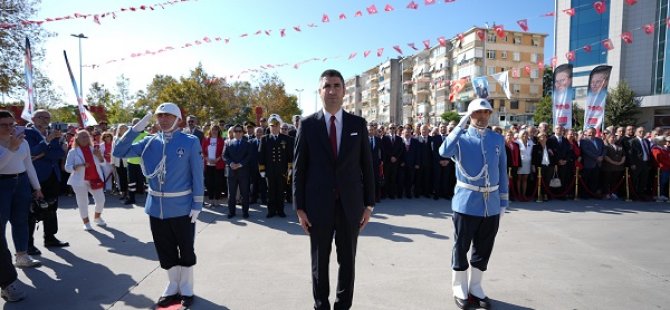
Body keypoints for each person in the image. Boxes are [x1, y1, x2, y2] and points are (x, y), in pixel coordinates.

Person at [293, 69, 375, 310]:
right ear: (319, 92)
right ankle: (321, 305)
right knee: (319, 261)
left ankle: (343, 306)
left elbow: (366, 166)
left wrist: (369, 205)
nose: (331, 90)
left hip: (350, 206)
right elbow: (299, 169)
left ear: (344, 91)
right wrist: (299, 208)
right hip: (318, 207)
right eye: (326, 86)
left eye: (336, 85)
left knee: (348, 261)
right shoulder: (307, 125)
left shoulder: (357, 124)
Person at [113, 102, 204, 308]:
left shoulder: (190, 142)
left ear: (177, 119)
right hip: (156, 207)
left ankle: (187, 286)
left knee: (186, 249)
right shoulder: (148, 142)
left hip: (182, 206)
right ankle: (172, 284)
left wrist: (197, 204)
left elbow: (197, 175)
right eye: (159, 116)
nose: (163, 120)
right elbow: (119, 151)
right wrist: (134, 129)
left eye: (167, 116)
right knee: (165, 249)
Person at [439, 98, 508, 309]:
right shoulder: (461, 138)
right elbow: (444, 151)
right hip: (466, 203)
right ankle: (459, 287)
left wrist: (503, 201)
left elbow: (502, 170)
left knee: (484, 248)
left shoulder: (497, 139)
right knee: (461, 247)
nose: (483, 116)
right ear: (470, 115)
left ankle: (476, 287)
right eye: (478, 113)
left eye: (487, 112)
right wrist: (459, 126)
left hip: (492, 203)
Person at [0, 110, 43, 271]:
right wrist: (11, 148)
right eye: (3, 125)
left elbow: (28, 165)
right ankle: (4, 264)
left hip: (21, 182)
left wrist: (37, 187)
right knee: (0, 224)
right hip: (2, 184)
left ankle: (22, 256)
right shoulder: (14, 143)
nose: (9, 128)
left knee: (21, 220)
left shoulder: (21, 141)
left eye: (11, 124)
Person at [24, 109, 69, 255]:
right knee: (31, 210)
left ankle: (50, 237)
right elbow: (31, 152)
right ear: (33, 119)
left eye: (47, 118)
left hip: (52, 175)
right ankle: (27, 244)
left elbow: (59, 153)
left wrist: (43, 152)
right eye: (41, 117)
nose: (45, 120)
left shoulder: (53, 133)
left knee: (51, 207)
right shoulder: (27, 133)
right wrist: (47, 142)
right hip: (35, 176)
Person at [64, 129, 107, 231]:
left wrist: (99, 156)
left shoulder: (94, 149)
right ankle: (86, 222)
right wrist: (77, 166)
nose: (85, 138)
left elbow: (103, 163)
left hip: (95, 179)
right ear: (77, 139)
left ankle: (97, 217)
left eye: (87, 136)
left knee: (101, 200)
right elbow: (67, 167)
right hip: (79, 181)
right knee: (83, 202)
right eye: (82, 137)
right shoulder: (73, 151)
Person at [259, 115, 293, 218]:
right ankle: (271, 211)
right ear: (269, 127)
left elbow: (290, 156)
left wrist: (290, 169)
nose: (274, 128)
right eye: (272, 126)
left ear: (279, 126)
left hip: (282, 171)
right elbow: (261, 155)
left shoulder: (286, 139)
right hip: (269, 170)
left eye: (276, 125)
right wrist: (262, 170)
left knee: (281, 191)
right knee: (271, 191)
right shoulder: (264, 139)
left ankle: (281, 210)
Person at [223, 124, 252, 219]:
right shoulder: (228, 143)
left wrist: (240, 164)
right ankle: (231, 212)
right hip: (231, 173)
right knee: (231, 194)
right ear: (233, 133)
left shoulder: (247, 144)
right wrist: (231, 163)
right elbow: (224, 156)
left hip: (243, 172)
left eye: (240, 131)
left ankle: (245, 212)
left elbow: (249, 156)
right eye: (236, 131)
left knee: (245, 194)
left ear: (243, 133)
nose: (238, 133)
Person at [124, 118, 148, 205]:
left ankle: (149, 199)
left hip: (143, 162)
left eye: (138, 123)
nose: (137, 125)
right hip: (131, 162)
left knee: (146, 182)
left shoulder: (147, 134)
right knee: (131, 182)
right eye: (135, 124)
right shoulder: (129, 135)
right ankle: (131, 198)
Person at [201, 124, 225, 207]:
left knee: (218, 183)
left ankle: (217, 200)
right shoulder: (206, 139)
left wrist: (217, 159)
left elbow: (223, 152)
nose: (214, 131)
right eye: (213, 129)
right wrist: (207, 159)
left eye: (216, 129)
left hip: (218, 165)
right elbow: (202, 151)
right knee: (209, 183)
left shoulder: (221, 140)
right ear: (210, 131)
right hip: (208, 165)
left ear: (218, 131)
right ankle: (211, 200)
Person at [627, 126, 652, 200]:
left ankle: (641, 194)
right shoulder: (632, 141)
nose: (642, 133)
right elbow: (630, 154)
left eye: (643, 131)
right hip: (636, 164)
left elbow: (648, 152)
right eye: (640, 131)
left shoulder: (646, 141)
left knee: (643, 180)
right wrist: (632, 164)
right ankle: (633, 194)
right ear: (636, 133)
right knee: (635, 180)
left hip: (645, 163)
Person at [580, 127, 605, 199]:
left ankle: (593, 194)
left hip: (598, 164)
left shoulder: (599, 140)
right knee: (586, 180)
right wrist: (596, 157)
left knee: (595, 180)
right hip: (588, 164)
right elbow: (586, 151)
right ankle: (584, 195)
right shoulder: (583, 141)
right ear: (587, 133)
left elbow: (604, 149)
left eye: (593, 132)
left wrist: (602, 156)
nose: (592, 134)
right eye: (590, 132)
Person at [112, 124, 130, 201]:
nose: (122, 129)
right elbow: (113, 150)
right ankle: (123, 192)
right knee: (121, 178)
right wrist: (112, 162)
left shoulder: (129, 138)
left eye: (124, 128)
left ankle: (129, 193)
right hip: (118, 161)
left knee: (128, 178)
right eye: (121, 128)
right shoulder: (115, 139)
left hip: (128, 161)